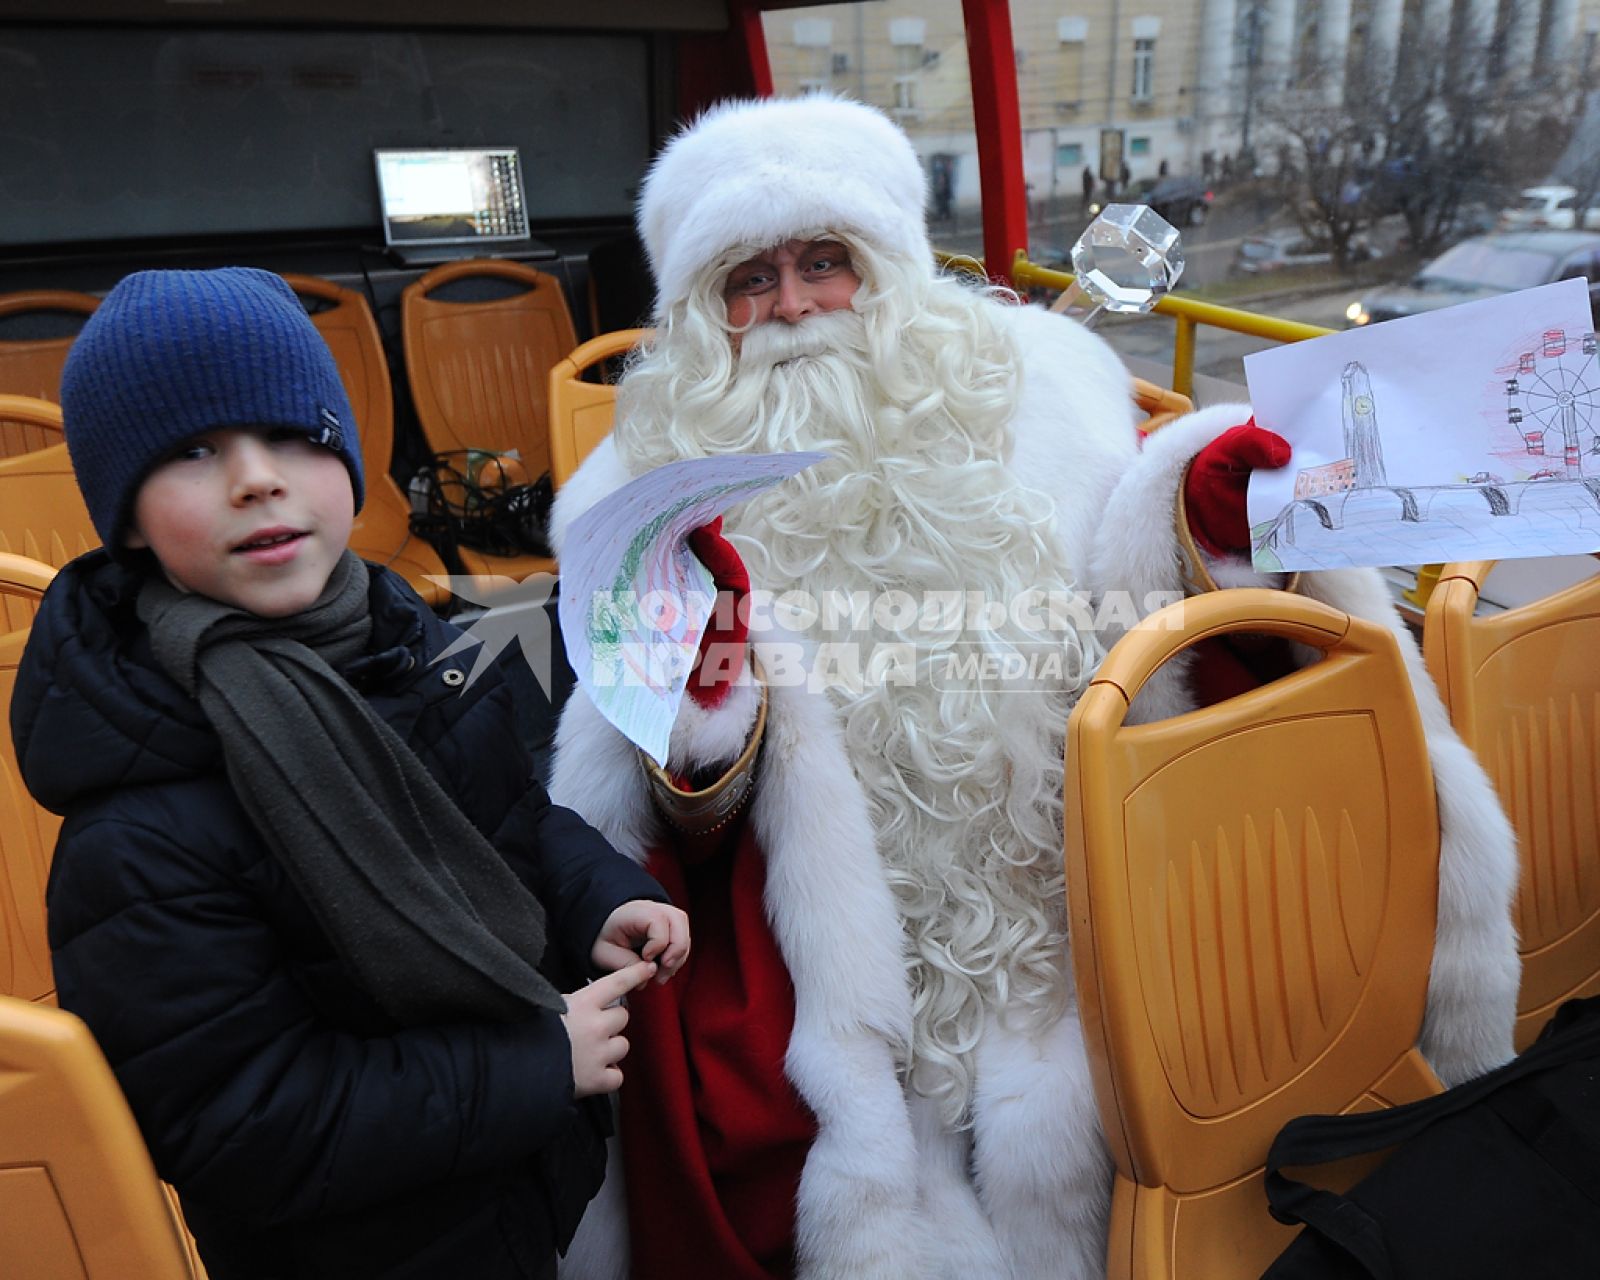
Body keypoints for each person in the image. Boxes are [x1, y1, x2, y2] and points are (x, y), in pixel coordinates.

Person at [548, 96, 1519, 1279]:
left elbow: (1142, 599)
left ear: (891, 268)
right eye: (750, 277)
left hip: (1067, 884)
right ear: (703, 312)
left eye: (825, 263)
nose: (795, 307)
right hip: (831, 935)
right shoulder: (639, 488)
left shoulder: (1045, 381)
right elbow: (660, 809)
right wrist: (714, 715)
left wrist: (1204, 508)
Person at [9, 267, 690, 1280]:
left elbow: (503, 815)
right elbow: (237, 1122)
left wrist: (599, 891)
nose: (256, 478)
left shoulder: (418, 643)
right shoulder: (140, 828)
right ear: (130, 521)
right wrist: (532, 1066)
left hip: (515, 1198)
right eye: (192, 452)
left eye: (292, 435)